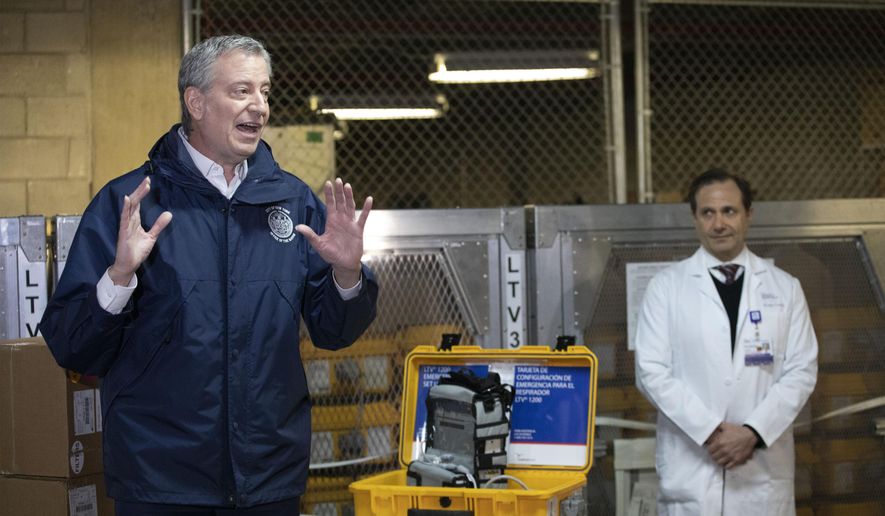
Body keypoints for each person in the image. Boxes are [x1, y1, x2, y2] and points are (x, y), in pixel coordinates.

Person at [39, 35, 378, 514]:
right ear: (195, 101)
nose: (259, 106)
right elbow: (72, 347)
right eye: (241, 91)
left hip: (269, 479)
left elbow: (334, 331)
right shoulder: (130, 204)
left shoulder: (293, 202)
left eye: (265, 92)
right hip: (160, 482)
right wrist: (118, 276)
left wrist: (347, 275)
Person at [634, 169, 817, 516]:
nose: (719, 223)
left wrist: (752, 432)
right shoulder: (666, 288)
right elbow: (650, 371)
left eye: (729, 211)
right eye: (708, 213)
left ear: (748, 214)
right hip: (693, 467)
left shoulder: (785, 287)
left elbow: (802, 370)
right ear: (695, 218)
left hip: (761, 472)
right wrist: (712, 432)